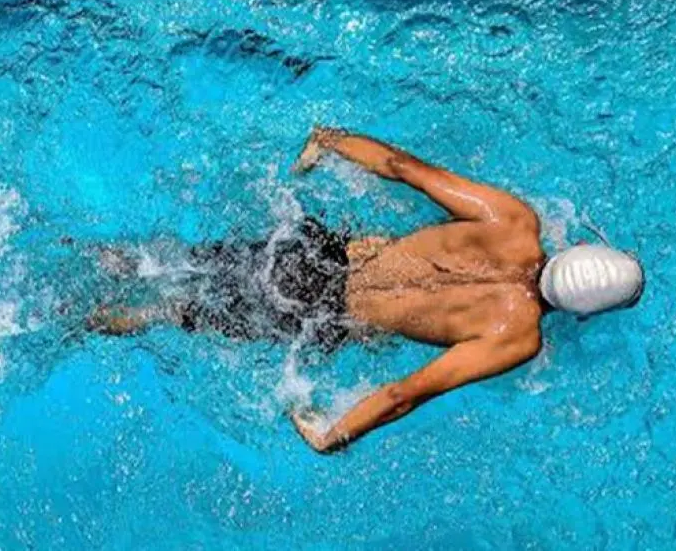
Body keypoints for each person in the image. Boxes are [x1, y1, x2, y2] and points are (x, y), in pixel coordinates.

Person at [90, 127, 644, 453]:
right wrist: (335, 436)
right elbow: (406, 393)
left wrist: (329, 141)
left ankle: (95, 254)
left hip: (317, 252)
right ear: (583, 313)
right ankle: (88, 319)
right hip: (323, 314)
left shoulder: (514, 221)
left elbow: (404, 167)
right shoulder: (518, 336)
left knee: (175, 261)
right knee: (173, 313)